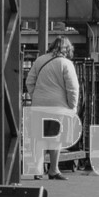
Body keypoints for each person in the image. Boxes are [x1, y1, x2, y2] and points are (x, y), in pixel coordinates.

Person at [25, 36, 79, 180]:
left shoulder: (39, 60)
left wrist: (36, 96)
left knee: (39, 138)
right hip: (57, 108)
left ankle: (37, 170)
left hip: (38, 107)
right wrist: (72, 107)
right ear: (67, 49)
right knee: (55, 139)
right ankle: (53, 170)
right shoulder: (66, 64)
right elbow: (73, 88)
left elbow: (29, 81)